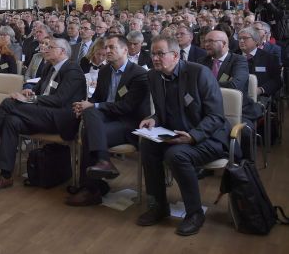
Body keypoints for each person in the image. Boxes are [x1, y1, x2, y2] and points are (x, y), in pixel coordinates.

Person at [0, 38, 86, 193]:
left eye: (51, 47)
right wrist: (30, 91)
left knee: (9, 103)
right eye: (46, 46)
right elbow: (41, 88)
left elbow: (60, 99)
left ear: (62, 51)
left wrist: (31, 98)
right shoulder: (50, 67)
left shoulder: (73, 70)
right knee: (11, 121)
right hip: (44, 114)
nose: (46, 49)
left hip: (62, 119)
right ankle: (5, 175)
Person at [137, 35, 230, 236]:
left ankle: (195, 213)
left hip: (208, 137)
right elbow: (163, 112)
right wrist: (154, 119)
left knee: (176, 155)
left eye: (160, 54)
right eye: (153, 54)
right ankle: (159, 206)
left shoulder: (199, 74)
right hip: (175, 133)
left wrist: (193, 136)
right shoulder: (154, 76)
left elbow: (216, 117)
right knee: (147, 146)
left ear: (176, 55)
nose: (155, 58)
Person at [67, 35, 150, 206]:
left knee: (89, 129)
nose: (107, 51)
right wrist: (85, 105)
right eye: (106, 47)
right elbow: (96, 98)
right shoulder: (104, 71)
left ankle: (90, 188)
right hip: (106, 119)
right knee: (89, 114)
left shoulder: (139, 74)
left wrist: (92, 106)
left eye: (112, 47)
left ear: (125, 50)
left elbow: (127, 108)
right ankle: (100, 171)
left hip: (129, 124)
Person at [237, 26, 281, 98]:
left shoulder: (269, 58)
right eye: (239, 38)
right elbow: (225, 75)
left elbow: (277, 81)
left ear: (256, 40)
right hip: (236, 95)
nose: (241, 41)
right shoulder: (233, 56)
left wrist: (261, 90)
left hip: (260, 97)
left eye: (245, 38)